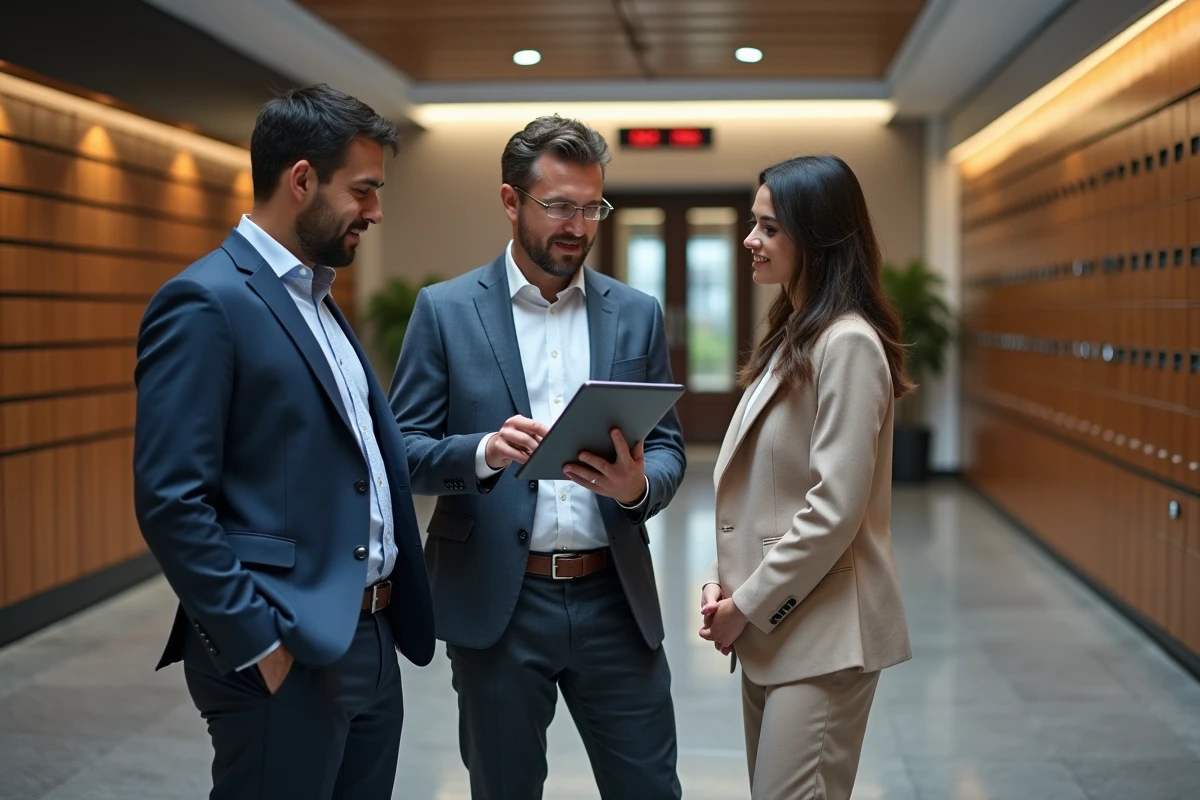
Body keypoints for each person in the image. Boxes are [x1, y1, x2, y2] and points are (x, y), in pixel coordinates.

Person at [132, 84, 434, 800]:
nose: (376, 211)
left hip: (370, 636)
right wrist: (259, 645)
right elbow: (172, 500)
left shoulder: (322, 300)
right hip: (286, 646)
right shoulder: (205, 301)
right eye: (363, 190)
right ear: (302, 180)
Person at [389, 114, 687, 800]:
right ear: (509, 202)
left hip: (615, 597)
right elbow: (401, 452)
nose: (578, 226)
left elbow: (667, 446)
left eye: (591, 207)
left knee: (650, 787)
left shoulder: (635, 313)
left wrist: (638, 487)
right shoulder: (445, 310)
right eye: (558, 206)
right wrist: (484, 453)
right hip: (499, 603)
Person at [698, 154, 913, 800]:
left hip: (822, 635)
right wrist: (726, 587)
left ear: (816, 238)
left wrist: (747, 606)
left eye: (768, 228)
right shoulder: (794, 333)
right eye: (752, 224)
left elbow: (833, 508)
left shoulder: (846, 343)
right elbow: (770, 491)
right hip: (777, 628)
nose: (750, 241)